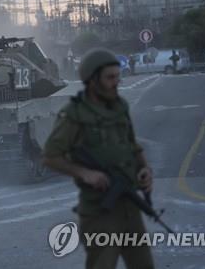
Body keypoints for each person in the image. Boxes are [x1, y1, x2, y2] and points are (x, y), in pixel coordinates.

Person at [43, 48, 154, 269]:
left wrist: (144, 169)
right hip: (100, 211)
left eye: (118, 77)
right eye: (110, 78)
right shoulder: (74, 114)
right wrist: (85, 173)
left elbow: (132, 145)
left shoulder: (120, 107)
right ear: (93, 80)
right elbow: (50, 156)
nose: (116, 82)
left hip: (130, 205)